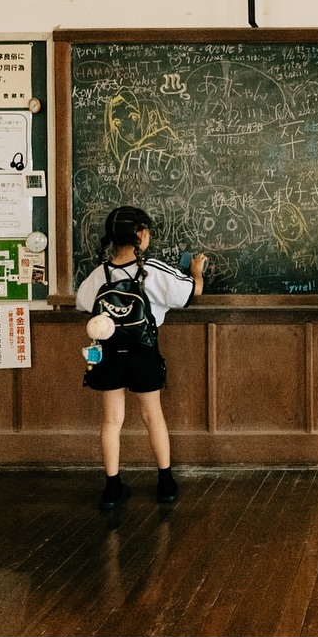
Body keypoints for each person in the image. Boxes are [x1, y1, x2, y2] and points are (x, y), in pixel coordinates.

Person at [76, 205, 206, 509]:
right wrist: (196, 272)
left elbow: (83, 304)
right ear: (141, 235)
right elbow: (191, 293)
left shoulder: (99, 274)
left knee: (111, 420)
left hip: (107, 354)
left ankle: (112, 488)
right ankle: (165, 483)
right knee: (152, 415)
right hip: (143, 353)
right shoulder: (152, 271)